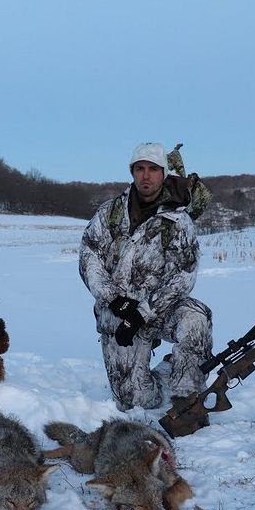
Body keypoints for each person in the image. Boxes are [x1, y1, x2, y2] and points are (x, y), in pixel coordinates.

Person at [79, 142, 213, 411]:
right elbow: (89, 256)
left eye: (153, 169)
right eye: (139, 168)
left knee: (196, 318)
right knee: (133, 402)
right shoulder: (110, 213)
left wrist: (143, 312)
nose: (146, 175)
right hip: (119, 311)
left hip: (160, 307)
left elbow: (183, 276)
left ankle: (186, 397)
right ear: (132, 172)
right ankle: (164, 373)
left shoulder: (178, 221)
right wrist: (114, 299)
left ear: (163, 173)